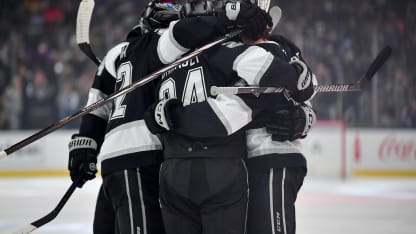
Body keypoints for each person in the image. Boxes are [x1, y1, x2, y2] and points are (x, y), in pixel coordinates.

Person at [66, 0, 270, 233]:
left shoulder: (115, 54)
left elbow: (97, 108)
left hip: (112, 162)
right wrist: (230, 19)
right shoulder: (169, 44)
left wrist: (85, 148)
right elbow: (191, 36)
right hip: (146, 157)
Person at [143, 1, 316, 234]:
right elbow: (298, 85)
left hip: (271, 157)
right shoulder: (223, 50)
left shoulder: (276, 47)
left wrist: (304, 116)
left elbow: (302, 89)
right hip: (247, 161)